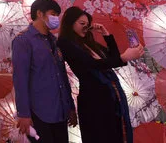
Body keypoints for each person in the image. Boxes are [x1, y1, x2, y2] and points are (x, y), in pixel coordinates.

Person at [57, 7, 145, 143]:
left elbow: (112, 59)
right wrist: (123, 58)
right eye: (81, 24)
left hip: (113, 94)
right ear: (70, 23)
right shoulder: (65, 43)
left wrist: (106, 34)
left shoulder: (88, 42)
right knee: (102, 135)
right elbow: (92, 64)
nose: (85, 28)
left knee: (120, 133)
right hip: (95, 98)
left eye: (87, 25)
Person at [12, 0, 77, 143]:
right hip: (38, 113)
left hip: (60, 110)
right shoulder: (23, 41)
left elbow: (63, 77)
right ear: (40, 14)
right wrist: (23, 114)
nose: (56, 18)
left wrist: (70, 107)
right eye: (53, 14)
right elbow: (20, 80)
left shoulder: (54, 41)